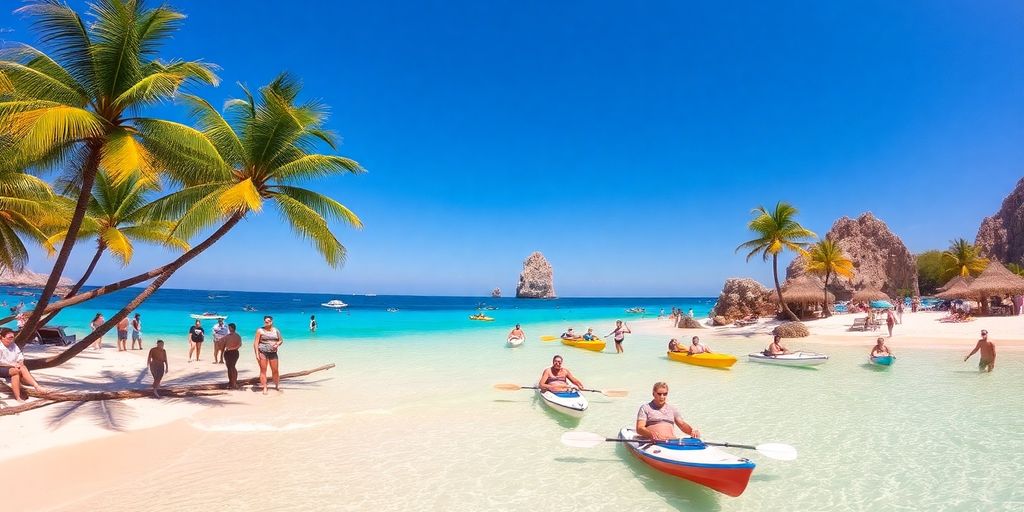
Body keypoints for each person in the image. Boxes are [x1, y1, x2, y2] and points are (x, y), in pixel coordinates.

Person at [636, 382, 701, 441]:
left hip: (671, 442)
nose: (662, 397)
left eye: (665, 394)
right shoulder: (645, 408)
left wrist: (692, 431)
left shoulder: (672, 409)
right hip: (653, 442)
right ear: (653, 394)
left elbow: (682, 425)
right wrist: (650, 434)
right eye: (659, 394)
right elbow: (639, 428)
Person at [0, 327, 46, 401]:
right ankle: (18, 397)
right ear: (2, 337)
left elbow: (19, 355)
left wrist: (20, 362)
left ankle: (36, 386)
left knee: (23, 367)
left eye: (12, 337)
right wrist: (13, 365)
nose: (11, 339)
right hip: (2, 367)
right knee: (15, 372)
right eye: (9, 337)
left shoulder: (13, 345)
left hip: (12, 365)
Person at [254, 315, 283, 395]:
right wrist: (257, 354)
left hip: (273, 353)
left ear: (272, 321)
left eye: (269, 321)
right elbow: (256, 343)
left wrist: (277, 344)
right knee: (263, 370)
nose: (267, 323)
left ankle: (276, 385)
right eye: (266, 321)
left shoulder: (276, 330)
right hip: (262, 352)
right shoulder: (260, 330)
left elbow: (281, 340)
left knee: (275, 371)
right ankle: (265, 387)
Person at [222, 323, 242, 389]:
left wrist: (231, 348)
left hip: (233, 352)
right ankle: (231, 382)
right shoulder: (228, 336)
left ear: (232, 328)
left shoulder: (237, 336)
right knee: (229, 368)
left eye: (229, 327)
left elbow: (239, 345)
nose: (228, 328)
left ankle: (234, 383)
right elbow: (223, 346)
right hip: (228, 353)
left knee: (232, 367)